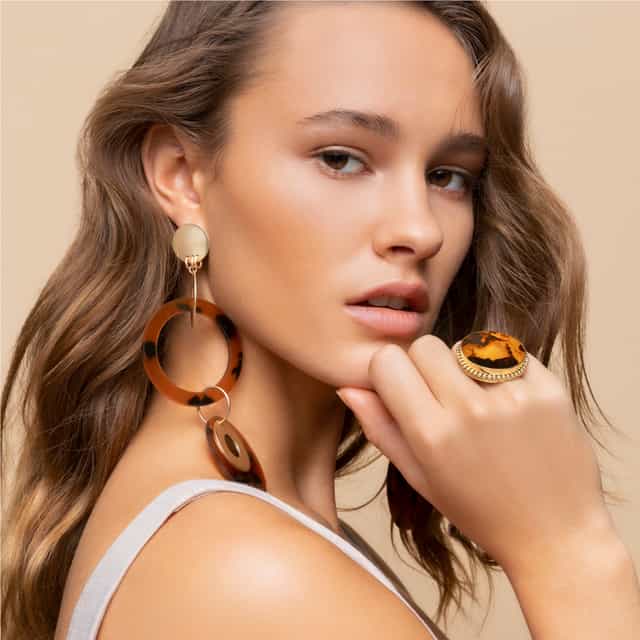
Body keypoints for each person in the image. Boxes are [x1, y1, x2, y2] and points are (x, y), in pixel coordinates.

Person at [1, 1, 639, 639]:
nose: (420, 230)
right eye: (341, 159)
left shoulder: (255, 532)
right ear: (182, 176)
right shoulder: (247, 573)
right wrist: (569, 552)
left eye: (448, 176)